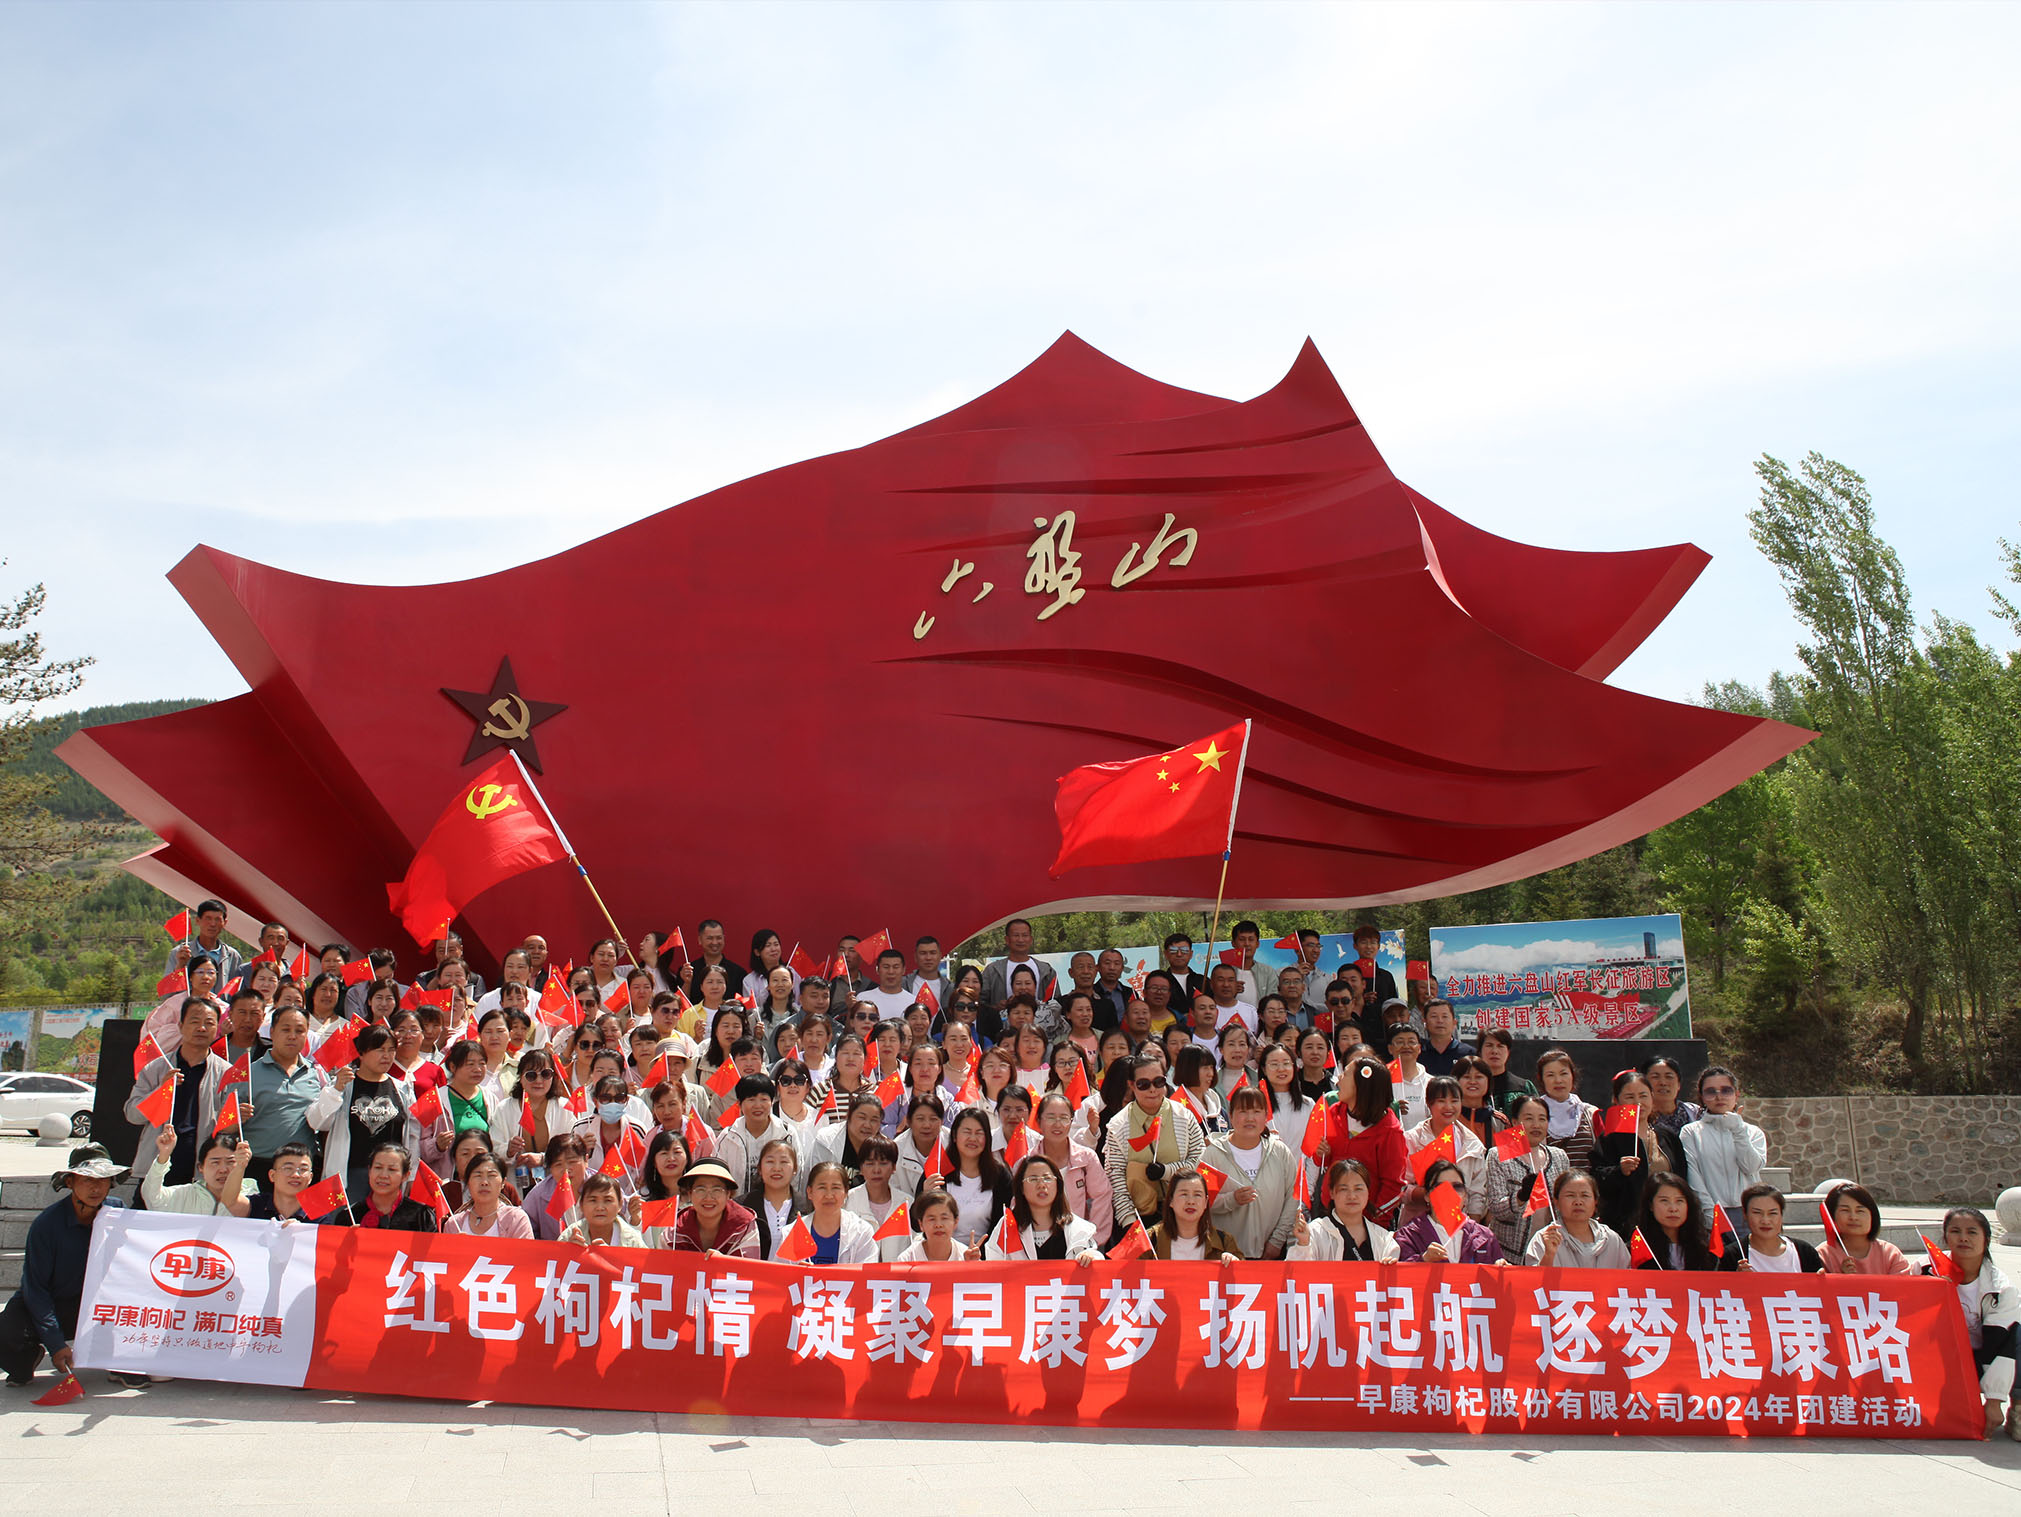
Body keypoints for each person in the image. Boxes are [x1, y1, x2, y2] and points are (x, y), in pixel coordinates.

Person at [0, 1144, 127, 1389]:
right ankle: (25, 1361)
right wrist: (55, 1344)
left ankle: (122, 1366)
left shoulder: (119, 1212)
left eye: (102, 1179)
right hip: (51, 1301)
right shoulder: (46, 1225)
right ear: (70, 1182)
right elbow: (36, 1289)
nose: (95, 1187)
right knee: (6, 1332)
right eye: (87, 1179)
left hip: (96, 1305)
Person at [1925, 1207, 2019, 1440]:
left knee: (2018, 1335)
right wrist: (1932, 1289)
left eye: (1972, 1232)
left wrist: (1994, 1400)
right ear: (1945, 1237)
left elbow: (2003, 1346)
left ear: (1986, 1239)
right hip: (1941, 1358)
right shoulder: (1924, 1270)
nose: (1963, 1238)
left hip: (1982, 1357)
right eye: (1955, 1231)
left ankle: (2017, 1409)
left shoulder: (2002, 1288)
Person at [126, 995, 231, 1189]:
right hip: (156, 1166)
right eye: (194, 1021)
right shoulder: (156, 1068)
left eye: (209, 1023)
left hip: (202, 1171)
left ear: (217, 1029)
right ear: (181, 1026)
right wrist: (161, 1091)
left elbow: (228, 1127)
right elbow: (133, 1115)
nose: (201, 1028)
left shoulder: (226, 1073)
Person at [307, 1024, 417, 1194]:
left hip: (390, 1178)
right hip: (350, 1176)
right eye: (380, 1049)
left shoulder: (403, 1089)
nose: (387, 1056)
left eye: (391, 1050)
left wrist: (411, 1174)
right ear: (361, 1053)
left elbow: (413, 1135)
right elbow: (317, 1122)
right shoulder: (343, 1085)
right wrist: (335, 1090)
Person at [1105, 1055, 1207, 1232]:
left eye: (1158, 1082)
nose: (1152, 1089)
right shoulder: (1117, 1125)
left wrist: (1165, 1171)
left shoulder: (1184, 1116)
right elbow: (1116, 1177)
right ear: (1131, 1085)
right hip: (1140, 1217)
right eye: (1143, 1084)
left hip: (1185, 1213)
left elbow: (1199, 1160)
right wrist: (1130, 1223)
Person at [1588, 1067, 1685, 1242]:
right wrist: (1619, 1171)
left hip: (1668, 1223)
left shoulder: (1667, 1136)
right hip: (1627, 1227)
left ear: (1652, 1098)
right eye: (1630, 1097)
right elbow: (1596, 1179)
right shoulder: (1609, 1139)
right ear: (1616, 1100)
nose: (1638, 1103)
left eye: (1643, 1095)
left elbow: (1682, 1178)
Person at [1202, 1086, 1299, 1260]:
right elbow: (1201, 1201)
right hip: (1225, 1255)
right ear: (1231, 1116)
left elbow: (1294, 1196)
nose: (1250, 1118)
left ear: (1266, 1116)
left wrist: (1277, 1241)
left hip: (1272, 1253)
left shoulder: (1280, 1152)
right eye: (1243, 1111)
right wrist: (1232, 1200)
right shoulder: (1212, 1155)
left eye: (1256, 1111)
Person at [1312, 1056, 1408, 1224]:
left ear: (1361, 1085)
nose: (1338, 1078)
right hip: (1330, 1215)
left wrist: (1374, 1220)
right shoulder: (1333, 1113)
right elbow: (1322, 1162)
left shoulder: (1390, 1130)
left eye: (1345, 1074)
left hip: (1369, 1223)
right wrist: (1322, 1154)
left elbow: (1394, 1184)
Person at [240, 1005, 324, 1191]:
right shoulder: (248, 1074)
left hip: (301, 1172)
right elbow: (226, 1127)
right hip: (258, 1167)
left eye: (299, 1031)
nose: (292, 1036)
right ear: (272, 1032)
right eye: (285, 1029)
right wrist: (236, 1118)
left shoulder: (316, 1074)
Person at [1680, 1066, 1767, 1230]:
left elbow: (1751, 1167)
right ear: (1702, 1096)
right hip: (1712, 1213)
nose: (1719, 1097)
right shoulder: (1691, 1132)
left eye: (1726, 1090)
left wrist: (1738, 1130)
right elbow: (1694, 1176)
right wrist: (1710, 1213)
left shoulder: (1752, 1132)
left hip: (1749, 1212)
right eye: (1710, 1091)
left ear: (1736, 1094)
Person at [1485, 1095, 1567, 1259]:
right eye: (1529, 1119)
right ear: (1515, 1122)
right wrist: (1521, 1197)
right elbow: (1496, 1208)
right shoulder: (1498, 1155)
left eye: (1542, 1119)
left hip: (1549, 1251)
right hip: (1509, 1254)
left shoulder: (1559, 1157)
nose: (1536, 1125)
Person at [1033, 1091, 1112, 1245]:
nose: (1057, 1124)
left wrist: (1092, 1239)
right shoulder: (1028, 1161)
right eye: (1050, 1117)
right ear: (1038, 1121)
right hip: (1038, 1242)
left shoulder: (1086, 1158)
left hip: (1079, 1242)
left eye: (1064, 1118)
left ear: (1071, 1121)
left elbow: (1102, 1196)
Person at [986, 1156, 1100, 1262]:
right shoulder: (1007, 1227)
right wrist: (977, 1263)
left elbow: (1097, 1261)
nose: (1041, 1185)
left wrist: (1090, 1258)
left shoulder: (1078, 1229)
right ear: (1021, 1188)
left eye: (1047, 1178)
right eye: (1033, 1179)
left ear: (1058, 1185)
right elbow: (993, 1266)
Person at [1405, 1076, 1489, 1219]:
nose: (1448, 1107)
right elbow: (1401, 1189)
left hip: (1460, 1223)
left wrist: (1471, 1225)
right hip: (1418, 1223)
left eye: (1454, 1101)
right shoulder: (1411, 1140)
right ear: (1429, 1103)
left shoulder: (1472, 1145)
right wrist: (1429, 1194)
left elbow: (1477, 1192)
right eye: (1441, 1101)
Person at [1287, 1159, 1399, 1263]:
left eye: (1358, 1189)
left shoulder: (1384, 1240)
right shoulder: (1315, 1232)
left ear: (1368, 1192)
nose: (1352, 1196)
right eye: (1344, 1189)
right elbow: (1297, 1273)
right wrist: (1303, 1245)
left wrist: (1390, 1269)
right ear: (1331, 1193)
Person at [1394, 1160, 1503, 1264]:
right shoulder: (1409, 1236)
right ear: (1427, 1195)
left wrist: (1502, 1269)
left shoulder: (1485, 1237)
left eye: (1457, 1187)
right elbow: (1400, 1273)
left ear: (1465, 1195)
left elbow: (1497, 1273)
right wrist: (1423, 1259)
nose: (1450, 1193)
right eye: (1441, 1187)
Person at [934, 1108, 1011, 1251]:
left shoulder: (1000, 1176)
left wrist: (981, 1252)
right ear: (955, 1136)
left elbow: (1004, 1222)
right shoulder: (937, 1172)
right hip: (945, 1255)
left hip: (988, 1254)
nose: (973, 1138)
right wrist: (926, 1194)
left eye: (979, 1133)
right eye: (967, 1132)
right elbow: (916, 1222)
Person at [321, 1142, 439, 1231]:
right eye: (378, 1168)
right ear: (369, 1171)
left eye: (392, 1169)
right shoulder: (349, 1216)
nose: (383, 1175)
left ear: (405, 1176)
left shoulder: (421, 1216)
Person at [1524, 1170, 1630, 1269]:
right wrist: (1548, 1255)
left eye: (1585, 1195)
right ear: (1556, 1202)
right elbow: (1535, 1279)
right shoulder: (1545, 1238)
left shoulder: (1612, 1240)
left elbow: (1627, 1277)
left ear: (1595, 1201)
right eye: (1570, 1195)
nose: (1578, 1202)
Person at [140, 1129, 254, 1216]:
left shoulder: (251, 1194)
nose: (223, 1169)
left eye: (230, 1162)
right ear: (201, 1167)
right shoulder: (185, 1195)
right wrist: (163, 1156)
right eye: (215, 1162)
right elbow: (151, 1196)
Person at [1718, 1184, 1823, 1273]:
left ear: (1781, 1214)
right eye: (1757, 1213)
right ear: (1745, 1214)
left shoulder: (1805, 1252)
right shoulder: (1732, 1256)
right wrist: (1735, 1280)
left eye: (1772, 1213)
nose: (1765, 1221)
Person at [1146, 1169, 1241, 1262]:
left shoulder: (1225, 1242)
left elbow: (1243, 1270)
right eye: (1184, 1194)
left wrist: (1234, 1263)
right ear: (1171, 1200)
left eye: (1197, 1195)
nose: (1191, 1201)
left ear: (1205, 1202)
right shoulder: (1149, 1240)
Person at [1819, 1182, 1914, 1275]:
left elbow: (1902, 1284)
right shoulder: (1823, 1255)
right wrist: (1841, 1278)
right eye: (1845, 1210)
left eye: (1860, 1211)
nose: (1853, 1217)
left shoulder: (1890, 1254)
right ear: (1831, 1216)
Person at [671, 1158, 760, 1256]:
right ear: (690, 1193)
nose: (708, 1198)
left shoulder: (744, 1225)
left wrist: (722, 1262)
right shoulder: (675, 1226)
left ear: (728, 1194)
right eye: (701, 1190)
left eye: (717, 1190)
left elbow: (748, 1263)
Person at [1634, 1173, 1718, 1272]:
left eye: (1679, 1201)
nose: (1673, 1209)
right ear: (1651, 1205)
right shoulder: (1639, 1247)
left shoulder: (1704, 1247)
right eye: (1664, 1201)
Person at [800, 1162, 881, 1264]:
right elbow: (782, 1270)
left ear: (846, 1192)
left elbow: (867, 1272)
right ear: (810, 1192)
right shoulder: (791, 1233)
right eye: (822, 1187)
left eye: (835, 1188)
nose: (829, 1195)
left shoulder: (861, 1232)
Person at [445, 1150, 535, 1239]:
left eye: (491, 1175)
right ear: (468, 1182)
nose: (484, 1182)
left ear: (503, 1182)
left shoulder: (516, 1219)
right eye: (478, 1176)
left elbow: (524, 1249)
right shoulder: (454, 1224)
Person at [1534, 1048, 1598, 1170]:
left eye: (1563, 1073)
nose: (1558, 1080)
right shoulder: (1530, 1113)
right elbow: (1511, 1156)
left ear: (1573, 1075)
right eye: (1550, 1075)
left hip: (1586, 1181)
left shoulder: (1590, 1113)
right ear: (1541, 1079)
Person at [523, 1136, 590, 1243]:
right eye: (558, 1164)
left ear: (586, 1160)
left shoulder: (603, 1187)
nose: (566, 1170)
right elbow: (526, 1233)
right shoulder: (539, 1195)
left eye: (572, 1161)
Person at [164, 898, 244, 983]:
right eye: (208, 918)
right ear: (198, 920)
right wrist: (180, 965)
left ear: (225, 923)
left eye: (217, 919)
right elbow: (168, 989)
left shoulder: (232, 956)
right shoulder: (180, 953)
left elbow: (237, 987)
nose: (212, 924)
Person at [748, 1139, 804, 1258]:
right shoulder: (744, 1207)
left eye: (784, 1162)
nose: (777, 1168)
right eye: (770, 1161)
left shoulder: (808, 1208)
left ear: (795, 1169)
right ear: (759, 1169)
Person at [246, 1143, 328, 1222]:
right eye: (288, 1168)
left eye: (303, 1169)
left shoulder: (320, 1217)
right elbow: (237, 1204)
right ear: (272, 1175)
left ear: (310, 1177)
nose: (296, 1175)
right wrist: (240, 1165)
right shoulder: (257, 1204)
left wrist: (302, 1230)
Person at [1640, 1055, 1702, 1157]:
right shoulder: (1639, 1117)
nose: (1663, 1083)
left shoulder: (1696, 1113)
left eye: (1669, 1077)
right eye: (1655, 1077)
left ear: (1678, 1084)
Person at [562, 1173, 646, 1248]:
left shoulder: (633, 1241)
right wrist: (569, 1251)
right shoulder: (569, 1235)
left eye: (608, 1200)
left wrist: (608, 1257)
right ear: (581, 1205)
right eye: (593, 1200)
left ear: (620, 1204)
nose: (600, 1207)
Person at [896, 1190, 980, 1262]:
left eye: (944, 1218)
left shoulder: (966, 1256)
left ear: (955, 1222)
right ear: (921, 1224)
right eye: (931, 1219)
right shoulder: (907, 1258)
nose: (938, 1225)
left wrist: (971, 1266)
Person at [1452, 1055, 1510, 1153]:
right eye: (1466, 1077)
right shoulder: (1447, 1117)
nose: (1472, 1082)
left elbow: (1516, 1159)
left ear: (1488, 1081)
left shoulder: (1501, 1121)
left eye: (1479, 1077)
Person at [1476, 1028, 1537, 1114]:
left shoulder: (1523, 1087)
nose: (1495, 1051)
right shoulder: (1472, 1086)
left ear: (1508, 1052)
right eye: (1489, 1045)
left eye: (1500, 1046)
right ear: (1480, 1052)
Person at [1384, 1024, 1430, 1129]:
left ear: (1419, 1048)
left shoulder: (1431, 1082)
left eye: (1411, 1042)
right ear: (1390, 1048)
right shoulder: (1380, 1080)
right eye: (1400, 1042)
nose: (1406, 1046)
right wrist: (1389, 1110)